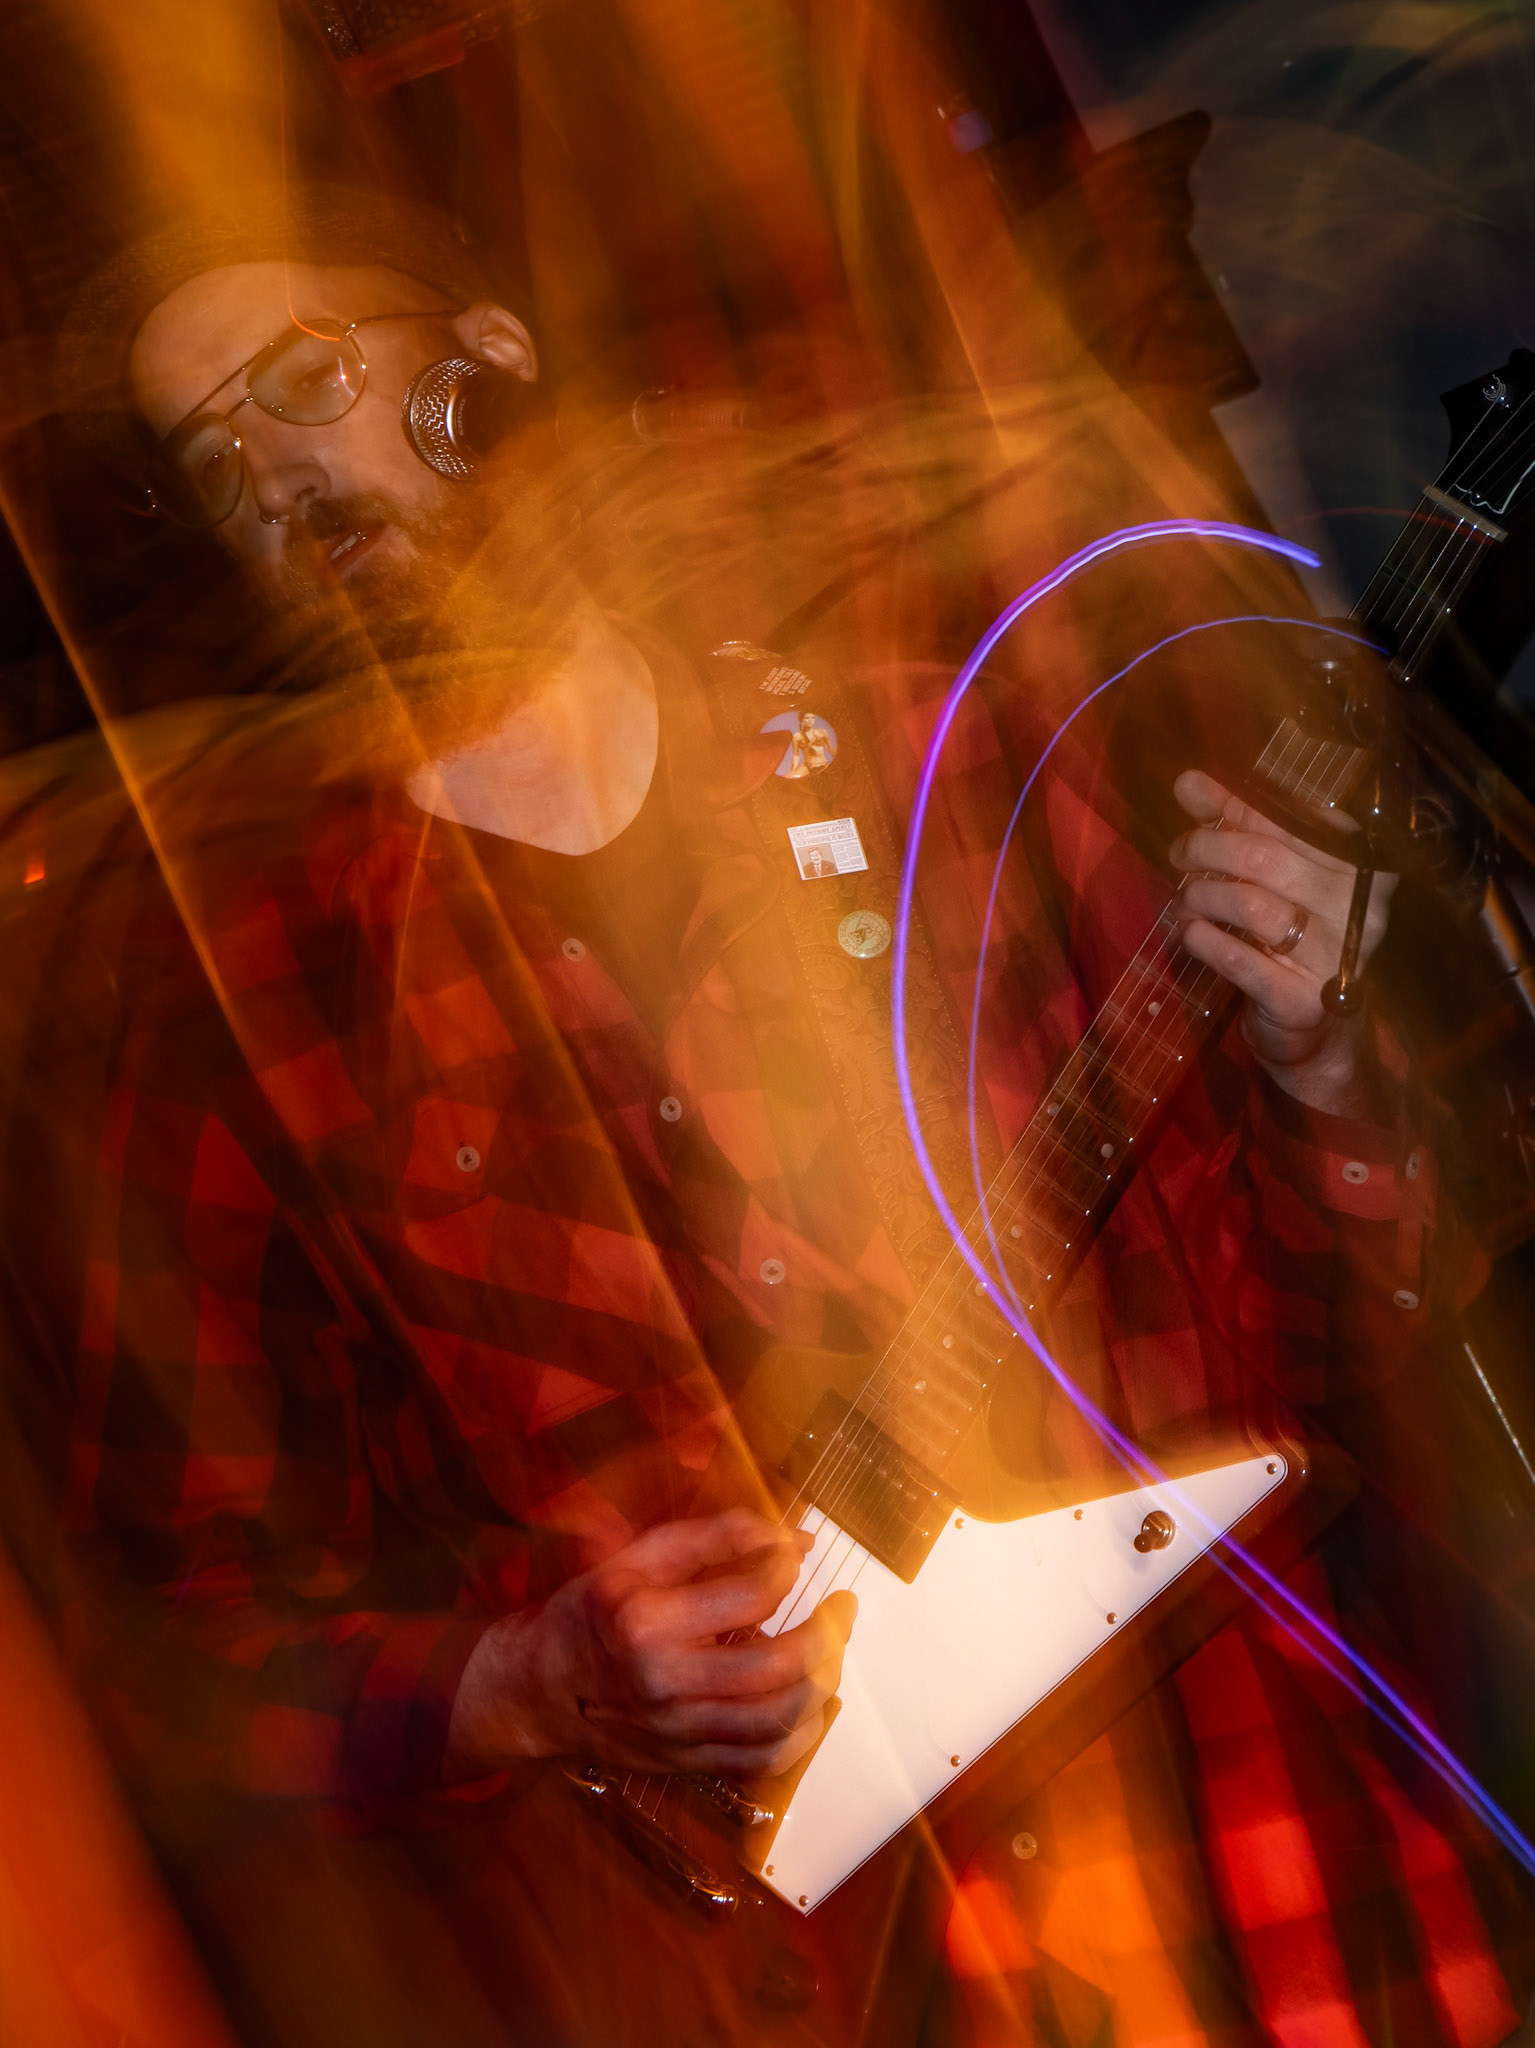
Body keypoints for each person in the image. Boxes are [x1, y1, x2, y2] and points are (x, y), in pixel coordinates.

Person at [37, 185, 1531, 2048]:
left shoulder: (955, 757)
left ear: (484, 358)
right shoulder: (246, 1024)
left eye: (304, 378)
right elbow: (176, 1646)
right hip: (819, 1975)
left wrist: (1324, 1071)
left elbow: (1330, 1340)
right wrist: (518, 1682)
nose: (274, 473)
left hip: (1261, 1864)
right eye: (213, 457)